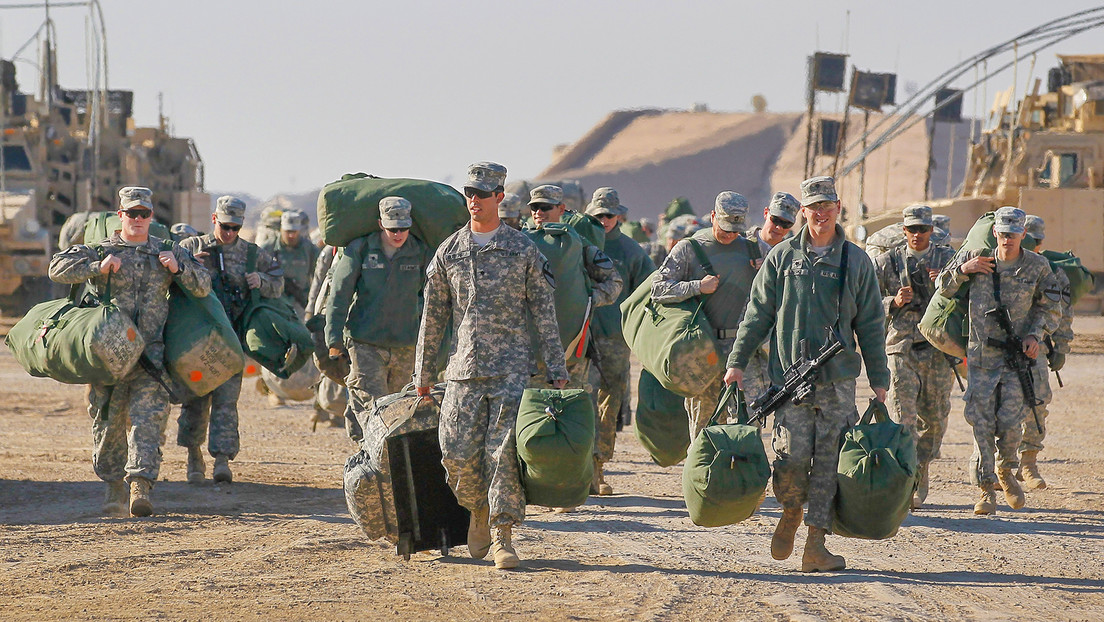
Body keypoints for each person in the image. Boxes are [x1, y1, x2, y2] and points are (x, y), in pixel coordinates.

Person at [725, 176, 889, 572]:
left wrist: (880, 378)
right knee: (790, 459)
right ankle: (790, 512)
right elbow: (757, 314)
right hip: (790, 380)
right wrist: (737, 361)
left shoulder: (856, 260)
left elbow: (870, 322)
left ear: (838, 207)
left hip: (837, 381)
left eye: (826, 205)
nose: (820, 213)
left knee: (830, 462)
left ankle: (816, 543)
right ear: (803, 211)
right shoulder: (782, 258)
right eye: (812, 207)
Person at [414, 162, 568, 570]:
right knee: (457, 454)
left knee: (501, 453)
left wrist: (556, 366)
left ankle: (503, 535)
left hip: (512, 370)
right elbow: (433, 317)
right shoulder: (450, 250)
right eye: (469, 193)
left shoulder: (523, 250)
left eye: (483, 194)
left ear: (500, 197)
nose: (475, 200)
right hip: (462, 370)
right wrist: (423, 373)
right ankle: (477, 509)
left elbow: (544, 312)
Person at [48, 187, 211, 516]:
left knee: (148, 421)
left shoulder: (167, 251)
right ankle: (113, 485)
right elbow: (57, 269)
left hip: (151, 357)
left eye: (144, 214)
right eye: (131, 213)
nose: (137, 219)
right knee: (108, 423)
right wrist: (97, 267)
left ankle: (141, 485)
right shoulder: (100, 249)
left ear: (151, 217)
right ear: (119, 215)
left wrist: (179, 269)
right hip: (109, 359)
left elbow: (204, 285)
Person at [934, 206, 1060, 515]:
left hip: (1017, 359)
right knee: (981, 423)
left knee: (1011, 423)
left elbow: (1051, 308)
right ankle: (985, 488)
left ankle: (1007, 468)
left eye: (1013, 235)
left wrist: (1035, 334)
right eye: (1002, 234)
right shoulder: (978, 259)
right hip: (981, 357)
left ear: (1022, 235)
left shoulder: (1038, 267)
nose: (1007, 240)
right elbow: (943, 289)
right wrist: (965, 270)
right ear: (995, 233)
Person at [177, 196, 284, 485]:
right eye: (225, 226)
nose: (229, 233)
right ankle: (193, 457)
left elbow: (278, 282)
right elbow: (166, 277)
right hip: (197, 343)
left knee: (226, 403)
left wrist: (261, 280)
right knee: (196, 400)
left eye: (235, 227)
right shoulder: (190, 248)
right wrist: (188, 266)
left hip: (231, 341)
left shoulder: (252, 254)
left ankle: (222, 460)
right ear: (214, 220)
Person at [652, 192, 759, 438]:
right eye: (725, 228)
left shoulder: (754, 249)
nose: (731, 234)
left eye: (736, 229)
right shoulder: (689, 249)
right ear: (712, 217)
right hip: (703, 351)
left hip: (744, 352)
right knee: (704, 430)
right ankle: (702, 476)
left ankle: (741, 477)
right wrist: (696, 286)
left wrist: (764, 271)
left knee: (748, 426)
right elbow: (658, 289)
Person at [873, 205, 957, 510]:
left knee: (934, 420)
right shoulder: (887, 262)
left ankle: (922, 470)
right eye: (912, 229)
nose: (918, 235)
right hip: (901, 349)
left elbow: (967, 299)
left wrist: (946, 285)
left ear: (931, 231)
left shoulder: (947, 260)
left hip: (937, 350)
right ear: (904, 231)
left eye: (923, 229)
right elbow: (866, 301)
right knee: (903, 419)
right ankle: (905, 480)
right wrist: (891, 302)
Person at [326, 197, 429, 440]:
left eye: (404, 227)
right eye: (393, 228)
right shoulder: (360, 249)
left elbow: (432, 298)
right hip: (365, 342)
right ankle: (369, 460)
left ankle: (385, 465)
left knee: (398, 411)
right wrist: (333, 339)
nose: (398, 233)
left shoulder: (420, 252)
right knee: (372, 406)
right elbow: (339, 295)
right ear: (380, 224)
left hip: (405, 343)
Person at [585, 187, 655, 496]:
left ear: (619, 216)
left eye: (608, 215)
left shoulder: (631, 251)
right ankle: (577, 469)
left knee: (609, 404)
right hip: (580, 335)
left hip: (615, 338)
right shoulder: (579, 242)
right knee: (579, 400)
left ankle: (599, 467)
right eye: (598, 215)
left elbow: (649, 290)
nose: (603, 220)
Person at [524, 184, 622, 390]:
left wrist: (586, 300)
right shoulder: (519, 241)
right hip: (527, 356)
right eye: (535, 208)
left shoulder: (578, 243)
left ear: (561, 209)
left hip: (570, 350)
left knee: (571, 412)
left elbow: (614, 282)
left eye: (545, 207)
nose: (539, 213)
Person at [1017, 215, 1073, 490]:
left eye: (1035, 242)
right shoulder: (1004, 267)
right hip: (1001, 349)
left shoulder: (1052, 272)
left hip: (1037, 349)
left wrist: (1060, 348)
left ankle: (1028, 461)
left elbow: (1062, 315)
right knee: (998, 406)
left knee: (1037, 402)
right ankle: (1002, 461)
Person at [741, 192, 801, 403]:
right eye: (775, 220)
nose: (778, 228)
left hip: (774, 344)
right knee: (745, 410)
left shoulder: (792, 254)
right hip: (741, 338)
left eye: (785, 224)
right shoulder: (740, 244)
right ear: (766, 213)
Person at [261, 209, 319, 312]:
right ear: (281, 229)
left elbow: (318, 277)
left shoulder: (309, 249)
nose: (291, 235)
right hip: (274, 303)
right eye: (288, 231)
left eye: (294, 232)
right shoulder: (267, 249)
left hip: (301, 303)